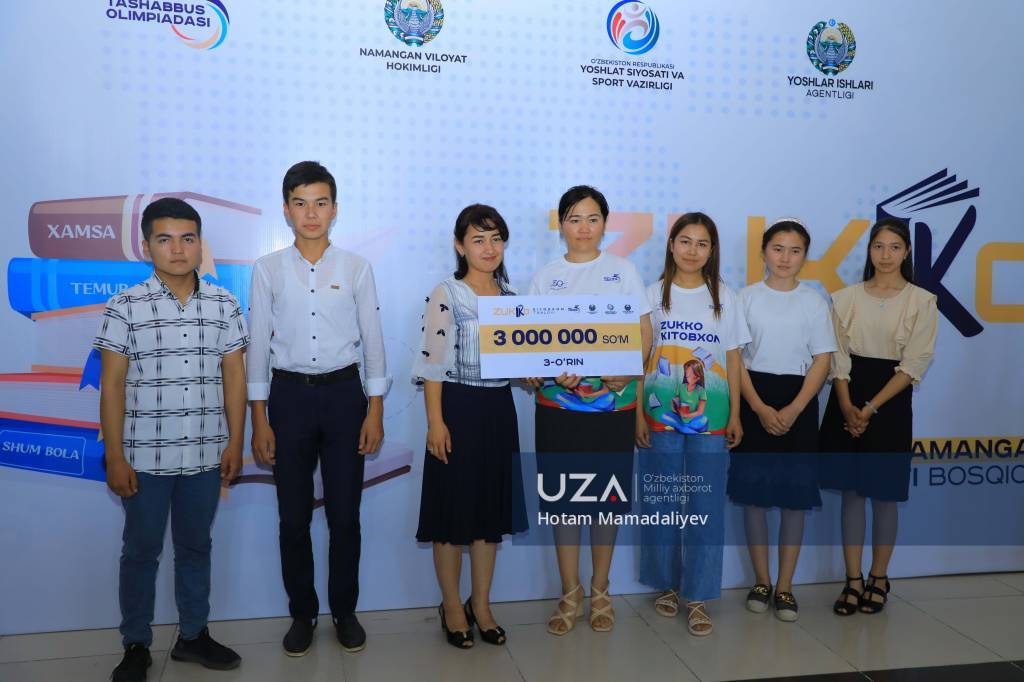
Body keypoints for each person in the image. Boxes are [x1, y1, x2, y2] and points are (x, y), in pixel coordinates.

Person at [97, 197, 248, 682]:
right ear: (147, 247)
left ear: (200, 244)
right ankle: (136, 644)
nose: (178, 249)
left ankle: (193, 635)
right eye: (164, 239)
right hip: (144, 457)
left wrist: (235, 443)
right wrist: (115, 456)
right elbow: (112, 385)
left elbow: (235, 378)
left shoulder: (224, 304)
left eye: (187, 238)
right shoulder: (124, 307)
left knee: (196, 548)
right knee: (140, 553)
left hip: (205, 454)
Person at [248, 161, 388, 655]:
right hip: (288, 399)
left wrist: (375, 409)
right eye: (301, 203)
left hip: (344, 397)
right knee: (293, 518)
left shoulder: (356, 268)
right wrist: (259, 418)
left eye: (320, 203)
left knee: (345, 516)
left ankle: (344, 611)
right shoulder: (267, 270)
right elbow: (258, 347)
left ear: (334, 209)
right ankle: (302, 613)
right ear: (286, 211)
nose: (311, 213)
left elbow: (373, 341)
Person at [526, 185, 653, 635]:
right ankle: (569, 592)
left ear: (605, 223)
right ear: (561, 224)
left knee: (606, 502)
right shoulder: (546, 277)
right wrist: (545, 368)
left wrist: (629, 370)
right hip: (558, 408)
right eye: (574, 218)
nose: (584, 227)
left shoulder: (623, 270)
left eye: (593, 218)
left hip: (612, 407)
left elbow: (644, 332)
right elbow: (530, 341)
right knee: (563, 503)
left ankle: (601, 589)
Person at [414, 204, 527, 649]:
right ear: (460, 246)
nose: (489, 248)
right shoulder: (447, 293)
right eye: (478, 239)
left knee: (487, 517)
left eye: (496, 238)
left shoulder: (512, 299)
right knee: (451, 517)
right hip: (456, 410)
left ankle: (481, 605)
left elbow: (521, 365)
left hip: (498, 411)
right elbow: (432, 364)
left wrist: (542, 370)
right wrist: (435, 423)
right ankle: (452, 607)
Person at [636, 212, 749, 636]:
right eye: (685, 241)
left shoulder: (725, 297)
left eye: (702, 243)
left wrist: (735, 413)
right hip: (659, 417)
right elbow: (638, 359)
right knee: (661, 504)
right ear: (671, 245)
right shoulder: (651, 295)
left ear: (712, 250)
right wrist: (637, 414)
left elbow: (733, 360)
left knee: (705, 508)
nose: (692, 250)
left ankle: (698, 595)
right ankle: (666, 584)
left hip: (712, 420)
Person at [819, 218, 937, 616]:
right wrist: (847, 405)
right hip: (846, 396)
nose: (885, 255)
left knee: (885, 497)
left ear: (906, 252)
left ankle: (879, 577)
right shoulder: (844, 298)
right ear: (869, 251)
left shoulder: (922, 301)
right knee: (852, 494)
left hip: (890, 402)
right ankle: (852, 580)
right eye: (878, 246)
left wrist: (869, 408)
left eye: (894, 247)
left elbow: (914, 362)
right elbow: (837, 356)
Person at [726, 219, 835, 622]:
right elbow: (735, 360)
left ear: (805, 256)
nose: (785, 258)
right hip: (753, 398)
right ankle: (761, 581)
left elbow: (822, 359)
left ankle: (785, 587)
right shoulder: (744, 298)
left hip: (799, 402)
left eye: (795, 250)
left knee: (794, 500)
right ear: (763, 252)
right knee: (753, 498)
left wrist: (795, 408)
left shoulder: (814, 301)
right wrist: (757, 407)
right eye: (777, 248)